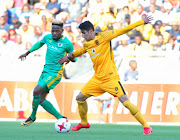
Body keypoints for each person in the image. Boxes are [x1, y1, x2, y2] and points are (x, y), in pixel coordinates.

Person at [59, 15, 153, 135]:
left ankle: (146, 126)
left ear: (91, 31)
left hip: (110, 78)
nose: (83, 36)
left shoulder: (104, 36)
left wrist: (141, 22)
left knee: (125, 101)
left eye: (84, 33)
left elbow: (123, 30)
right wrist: (69, 56)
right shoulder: (88, 43)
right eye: (81, 33)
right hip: (97, 79)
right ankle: (84, 123)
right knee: (80, 98)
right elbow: (82, 50)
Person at [18, 19, 75, 126]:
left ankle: (32, 117)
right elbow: (39, 44)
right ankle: (61, 118)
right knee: (41, 99)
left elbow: (73, 58)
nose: (54, 33)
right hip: (45, 71)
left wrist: (68, 58)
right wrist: (27, 53)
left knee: (36, 91)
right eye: (52, 31)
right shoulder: (47, 37)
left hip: (55, 74)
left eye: (57, 31)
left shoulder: (67, 43)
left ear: (62, 31)